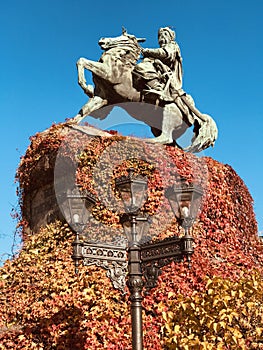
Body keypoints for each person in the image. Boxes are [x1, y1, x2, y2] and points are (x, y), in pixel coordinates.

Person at [134, 27, 183, 101]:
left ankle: (157, 88)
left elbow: (166, 54)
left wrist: (148, 51)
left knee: (142, 67)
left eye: (165, 34)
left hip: (166, 72)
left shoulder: (172, 45)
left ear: (170, 37)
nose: (162, 36)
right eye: (160, 35)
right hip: (158, 68)